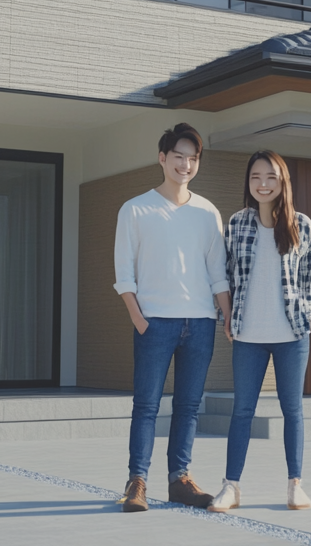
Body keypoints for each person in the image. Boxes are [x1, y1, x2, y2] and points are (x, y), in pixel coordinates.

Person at [114, 122, 232, 513]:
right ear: (162, 158)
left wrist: (226, 316)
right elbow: (124, 274)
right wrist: (139, 319)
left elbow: (218, 272)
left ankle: (179, 480)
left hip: (199, 323)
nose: (185, 164)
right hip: (155, 323)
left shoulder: (207, 212)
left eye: (192, 158)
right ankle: (137, 482)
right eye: (178, 156)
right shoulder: (135, 208)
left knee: (188, 406)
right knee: (146, 405)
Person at [209, 150, 311, 513]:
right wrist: (225, 318)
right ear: (248, 181)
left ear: (282, 181)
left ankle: (295, 485)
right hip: (247, 335)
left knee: (293, 410)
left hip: (292, 334)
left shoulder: (301, 225)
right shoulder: (237, 224)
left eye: (271, 177)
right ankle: (231, 486)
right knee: (242, 411)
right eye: (256, 176)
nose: (263, 184)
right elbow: (224, 275)